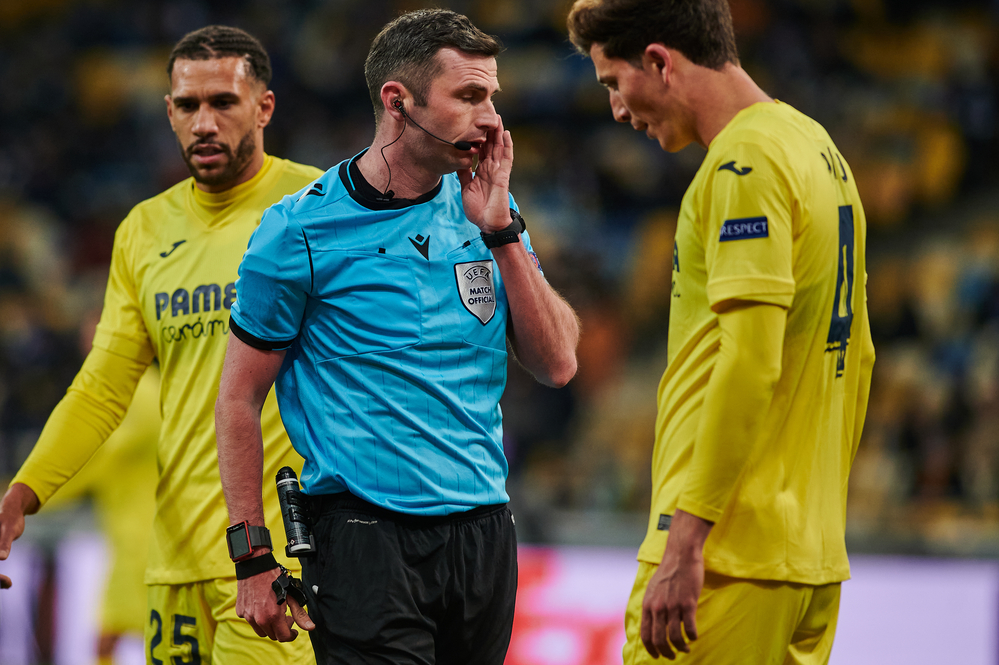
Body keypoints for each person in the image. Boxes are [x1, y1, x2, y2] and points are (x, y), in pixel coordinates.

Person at [214, 8, 579, 664]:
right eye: (468, 95)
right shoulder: (297, 230)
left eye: (492, 96)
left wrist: (501, 231)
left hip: (484, 531)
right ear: (398, 102)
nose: (492, 117)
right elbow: (238, 398)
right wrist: (252, 557)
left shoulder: (487, 212)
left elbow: (557, 361)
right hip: (363, 537)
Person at [0, 25, 323, 665]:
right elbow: (101, 388)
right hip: (172, 565)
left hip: (278, 558)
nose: (204, 122)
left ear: (264, 107)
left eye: (223, 103)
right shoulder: (144, 230)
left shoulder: (315, 204)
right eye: (187, 105)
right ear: (168, 112)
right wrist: (22, 494)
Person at [567, 1, 876, 663]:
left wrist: (686, 538)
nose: (618, 110)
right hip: (804, 556)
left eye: (613, 83)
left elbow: (750, 360)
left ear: (659, 61)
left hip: (724, 557)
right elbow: (859, 354)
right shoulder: (817, 149)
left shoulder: (743, 164)